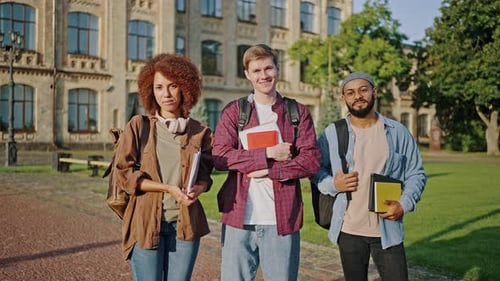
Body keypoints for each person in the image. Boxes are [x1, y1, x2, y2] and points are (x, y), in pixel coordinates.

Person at [212, 44, 321, 281]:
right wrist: (267, 153)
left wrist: (270, 170)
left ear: (277, 69)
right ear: (247, 74)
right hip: (239, 217)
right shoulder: (235, 111)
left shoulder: (297, 112)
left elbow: (311, 160)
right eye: (257, 70)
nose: (264, 76)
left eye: (268, 68)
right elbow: (220, 156)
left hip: (281, 220)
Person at [312, 72, 427, 281]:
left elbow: (416, 173)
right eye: (350, 92)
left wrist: (404, 204)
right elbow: (315, 170)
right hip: (348, 228)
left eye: (363, 90)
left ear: (374, 92)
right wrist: (333, 184)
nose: (357, 96)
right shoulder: (332, 133)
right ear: (344, 98)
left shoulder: (397, 132)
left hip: (387, 229)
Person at [113, 53, 214, 281]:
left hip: (185, 226)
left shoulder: (200, 132)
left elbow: (206, 175)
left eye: (173, 86)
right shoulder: (140, 126)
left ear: (185, 88)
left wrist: (199, 187)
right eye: (159, 87)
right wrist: (168, 188)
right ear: (151, 90)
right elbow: (125, 175)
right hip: (146, 223)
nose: (166, 94)